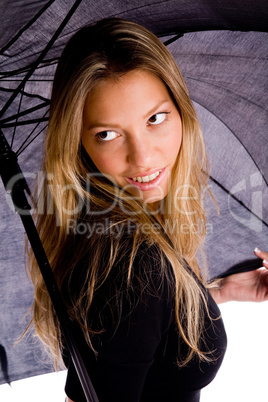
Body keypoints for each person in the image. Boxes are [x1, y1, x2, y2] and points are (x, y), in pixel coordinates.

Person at [27, 18, 268, 402]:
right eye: (107, 134)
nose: (142, 157)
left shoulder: (118, 236)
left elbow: (140, 338)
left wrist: (219, 291)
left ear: (180, 111)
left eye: (155, 119)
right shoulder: (133, 267)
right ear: (78, 144)